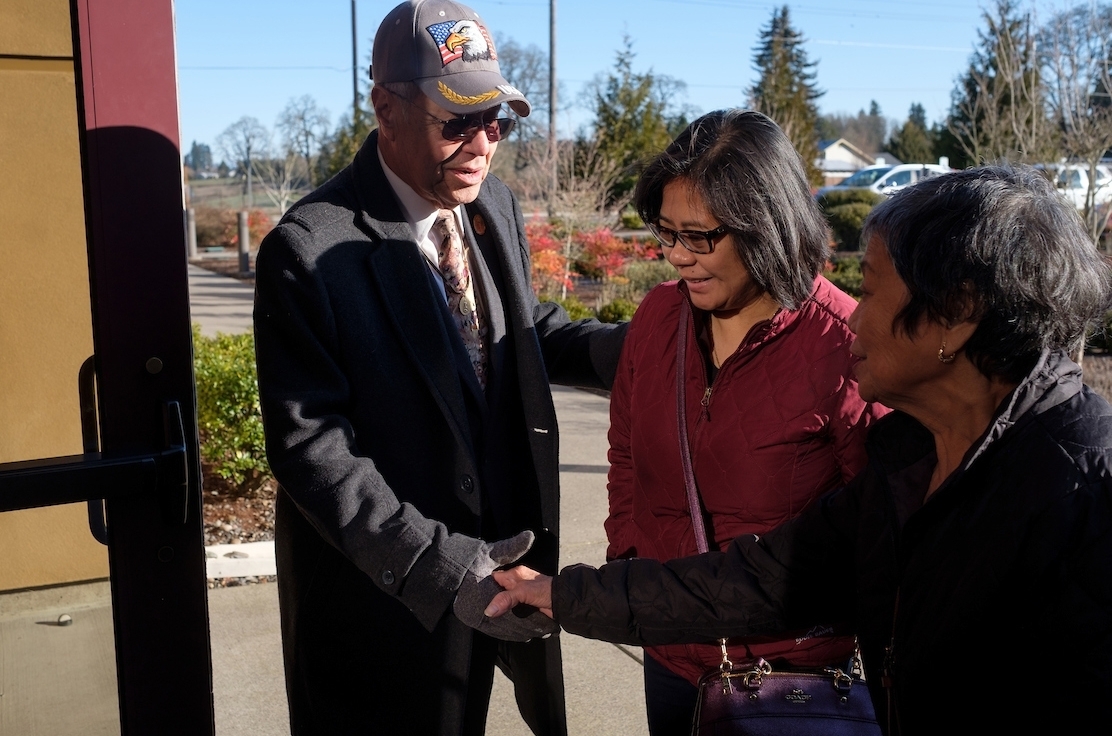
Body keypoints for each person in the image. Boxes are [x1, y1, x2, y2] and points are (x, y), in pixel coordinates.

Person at [486, 163, 1112, 734]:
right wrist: (566, 593)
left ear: (956, 314)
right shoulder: (909, 462)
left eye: (869, 291)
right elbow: (756, 580)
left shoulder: (1084, 493)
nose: (854, 319)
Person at [252, 2, 626, 734]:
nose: (484, 143)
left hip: (499, 582)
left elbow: (515, 331)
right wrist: (440, 567)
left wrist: (638, 350)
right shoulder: (308, 249)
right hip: (385, 611)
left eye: (498, 120)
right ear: (385, 107)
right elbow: (312, 451)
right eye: (458, 121)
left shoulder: (493, 205)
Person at [604, 109, 888, 733]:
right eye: (666, 233)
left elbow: (878, 523)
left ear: (767, 226)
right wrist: (628, 554)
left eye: (700, 236)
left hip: (792, 677)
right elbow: (625, 450)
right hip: (670, 649)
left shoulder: (845, 342)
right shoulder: (658, 316)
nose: (679, 256)